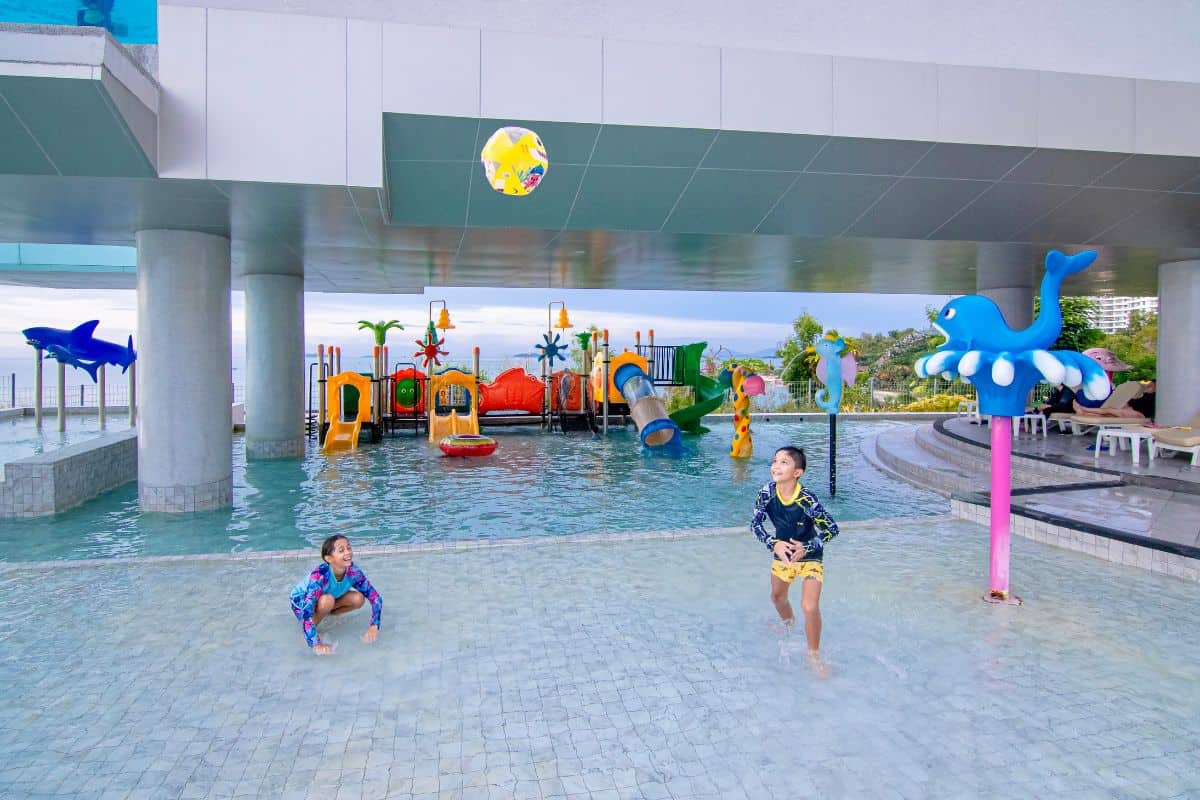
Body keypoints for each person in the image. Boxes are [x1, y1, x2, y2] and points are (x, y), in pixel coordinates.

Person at [750, 446, 840, 674]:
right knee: (777, 597)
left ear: (797, 472)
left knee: (809, 606)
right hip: (782, 554)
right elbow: (755, 525)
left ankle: (813, 654)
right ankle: (789, 624)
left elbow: (832, 529)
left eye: (784, 462)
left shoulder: (807, 499)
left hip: (809, 556)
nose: (776, 466)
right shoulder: (766, 493)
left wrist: (807, 546)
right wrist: (774, 544)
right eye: (774, 461)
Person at [290, 535, 382, 654]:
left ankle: (326, 613)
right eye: (341, 550)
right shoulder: (320, 575)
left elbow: (376, 598)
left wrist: (374, 626)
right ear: (329, 558)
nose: (348, 552)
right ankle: (307, 632)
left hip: (328, 599)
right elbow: (307, 610)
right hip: (300, 602)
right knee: (327, 601)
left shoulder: (353, 572)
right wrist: (315, 644)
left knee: (358, 599)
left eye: (348, 548)